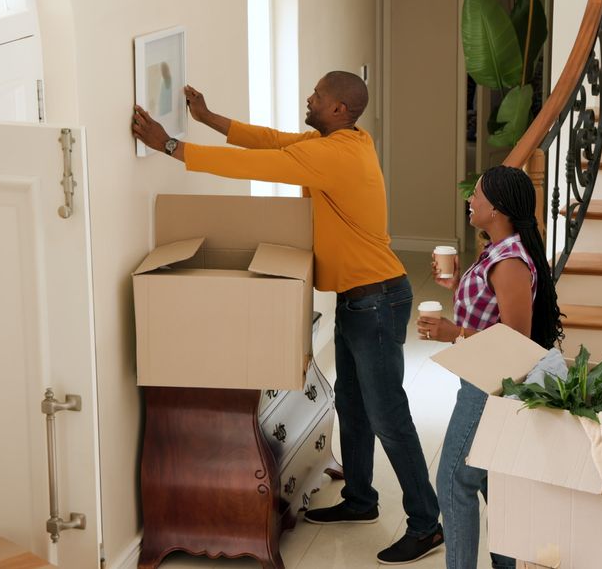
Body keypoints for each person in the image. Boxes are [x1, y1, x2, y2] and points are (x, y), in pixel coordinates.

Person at [132, 71, 444, 565]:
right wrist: (209, 118)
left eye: (318, 96)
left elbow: (247, 164)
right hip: (361, 298)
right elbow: (270, 141)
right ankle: (361, 500)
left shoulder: (334, 155)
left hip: (377, 300)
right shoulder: (341, 140)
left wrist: (170, 145)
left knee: (388, 414)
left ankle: (427, 525)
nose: (310, 98)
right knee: (355, 405)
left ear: (340, 109)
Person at [416, 166, 564, 569]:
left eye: (476, 194)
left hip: (491, 387)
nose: (470, 199)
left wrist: (452, 332)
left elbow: (513, 340)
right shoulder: (498, 251)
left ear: (496, 208)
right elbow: (493, 316)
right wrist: (458, 286)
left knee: (451, 484)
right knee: (489, 482)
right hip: (484, 380)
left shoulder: (509, 260)